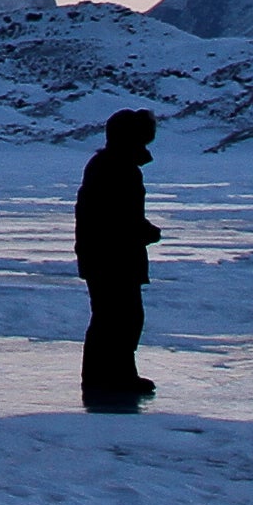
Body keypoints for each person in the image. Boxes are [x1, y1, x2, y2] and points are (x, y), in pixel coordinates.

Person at [74, 107, 161, 409]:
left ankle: (113, 375)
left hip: (106, 255)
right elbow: (115, 218)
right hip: (111, 258)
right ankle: (109, 378)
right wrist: (144, 232)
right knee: (119, 318)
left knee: (117, 318)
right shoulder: (117, 168)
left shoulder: (110, 165)